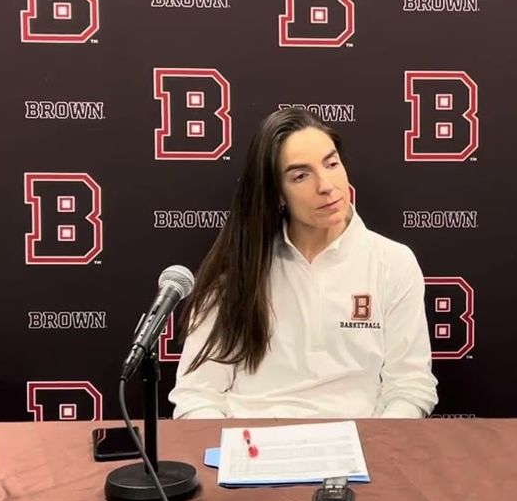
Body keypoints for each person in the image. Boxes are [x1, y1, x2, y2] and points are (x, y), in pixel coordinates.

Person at [169, 108, 438, 418]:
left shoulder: (393, 262)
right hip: (251, 446)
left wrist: (378, 449)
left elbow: (409, 386)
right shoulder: (241, 267)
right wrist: (231, 451)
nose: (326, 185)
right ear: (278, 193)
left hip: (358, 446)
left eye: (332, 163)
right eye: (301, 175)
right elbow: (197, 395)